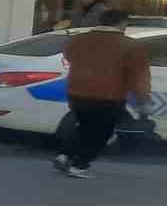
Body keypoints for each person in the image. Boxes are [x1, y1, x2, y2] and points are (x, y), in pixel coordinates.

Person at [54, 9, 151, 178]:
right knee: (100, 133)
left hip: (77, 92)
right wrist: (143, 101)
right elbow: (138, 75)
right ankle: (80, 165)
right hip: (109, 95)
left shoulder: (79, 40)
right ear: (122, 23)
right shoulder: (131, 46)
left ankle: (65, 155)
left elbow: (68, 56)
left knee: (84, 126)